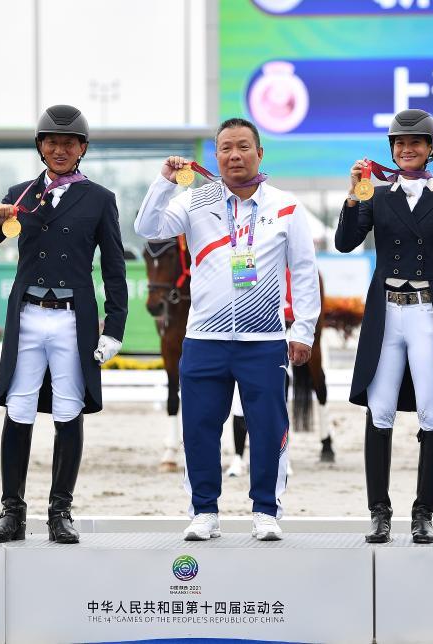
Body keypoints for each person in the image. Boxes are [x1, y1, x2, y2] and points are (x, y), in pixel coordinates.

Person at [135, 117, 320, 542]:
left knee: (268, 428)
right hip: (204, 339)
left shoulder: (286, 206)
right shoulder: (195, 200)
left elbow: (304, 271)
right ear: (216, 156)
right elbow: (148, 229)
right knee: (199, 427)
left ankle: (266, 511)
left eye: (242, 147)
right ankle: (204, 511)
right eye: (225, 148)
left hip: (264, 341)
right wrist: (164, 182)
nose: (234, 155)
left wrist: (303, 330)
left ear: (260, 153)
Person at [0, 104, 127, 545]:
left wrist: (114, 327)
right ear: (40, 147)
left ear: (82, 149)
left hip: (72, 319)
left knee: (68, 410)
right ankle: (12, 512)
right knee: (19, 409)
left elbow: (114, 268)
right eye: (52, 143)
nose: (60, 150)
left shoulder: (99, 199)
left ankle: (60, 511)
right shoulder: (19, 195)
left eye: (68, 144)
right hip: (29, 317)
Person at [335, 109, 433, 544]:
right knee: (380, 411)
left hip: (428, 314)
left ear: (430, 148)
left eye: (415, 143)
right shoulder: (377, 196)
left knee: (432, 410)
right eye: (399, 143)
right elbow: (345, 242)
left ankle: (423, 512)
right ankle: (379, 511)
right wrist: (353, 197)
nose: (406, 149)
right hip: (387, 314)